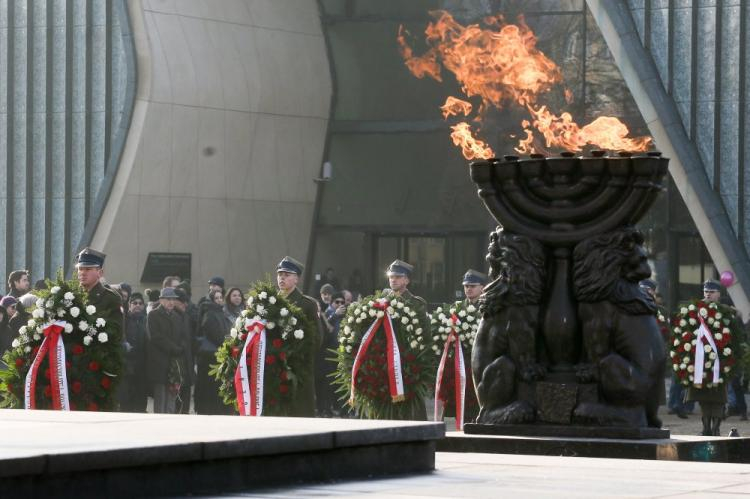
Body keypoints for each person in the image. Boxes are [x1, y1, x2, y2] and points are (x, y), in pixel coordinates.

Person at [382, 259, 429, 420]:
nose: (393, 280)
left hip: (407, 361)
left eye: (397, 277)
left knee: (411, 406)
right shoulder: (382, 301)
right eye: (391, 277)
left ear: (407, 280)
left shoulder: (416, 303)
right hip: (386, 360)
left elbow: (424, 335)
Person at [277, 256, 321, 417]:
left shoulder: (307, 304)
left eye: (287, 274)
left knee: (300, 410)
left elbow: (316, 339)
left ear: (296, 279)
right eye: (280, 274)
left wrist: (297, 354)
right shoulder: (271, 303)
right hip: (274, 365)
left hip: (298, 367)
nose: (282, 277)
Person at [686, 279, 732, 435]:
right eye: (706, 291)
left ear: (719, 294)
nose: (708, 294)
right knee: (703, 395)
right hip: (700, 360)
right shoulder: (695, 310)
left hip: (720, 360)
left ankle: (716, 428)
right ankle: (706, 427)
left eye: (712, 292)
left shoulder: (726, 310)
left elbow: (734, 335)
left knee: (718, 395)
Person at [146, 287, 184, 414]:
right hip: (160, 362)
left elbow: (181, 336)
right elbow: (156, 337)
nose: (171, 302)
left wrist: (180, 348)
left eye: (173, 299)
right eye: (168, 299)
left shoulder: (177, 317)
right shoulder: (153, 315)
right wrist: (174, 348)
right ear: (161, 300)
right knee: (160, 397)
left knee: (172, 395)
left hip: (173, 362)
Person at [75, 248, 123, 347]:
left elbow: (116, 332)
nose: (83, 273)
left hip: (97, 353)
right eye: (80, 269)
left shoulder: (111, 298)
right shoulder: (71, 295)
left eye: (88, 269)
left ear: (100, 273)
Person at [194, 288, 231, 415]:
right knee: (209, 389)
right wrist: (228, 342)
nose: (219, 300)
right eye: (216, 298)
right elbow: (215, 334)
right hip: (210, 357)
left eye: (221, 298)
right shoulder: (209, 313)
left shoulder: (221, 312)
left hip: (218, 356)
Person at [317, 291, 347, 416]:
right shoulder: (327, 313)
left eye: (342, 302)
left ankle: (342, 409)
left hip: (341, 353)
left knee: (341, 382)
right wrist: (335, 315)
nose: (339, 304)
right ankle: (326, 409)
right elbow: (325, 329)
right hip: (328, 354)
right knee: (328, 384)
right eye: (337, 302)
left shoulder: (345, 316)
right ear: (332, 302)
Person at [119, 293, 148, 412]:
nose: (138, 306)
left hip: (142, 367)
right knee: (126, 404)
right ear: (129, 305)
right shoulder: (124, 320)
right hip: (126, 367)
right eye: (134, 303)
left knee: (140, 403)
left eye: (140, 303)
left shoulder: (146, 320)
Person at [174, 288, 195, 414]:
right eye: (182, 301)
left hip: (187, 362)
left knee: (185, 399)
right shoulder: (172, 316)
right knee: (176, 400)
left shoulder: (186, 316)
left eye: (186, 301)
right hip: (176, 363)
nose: (185, 304)